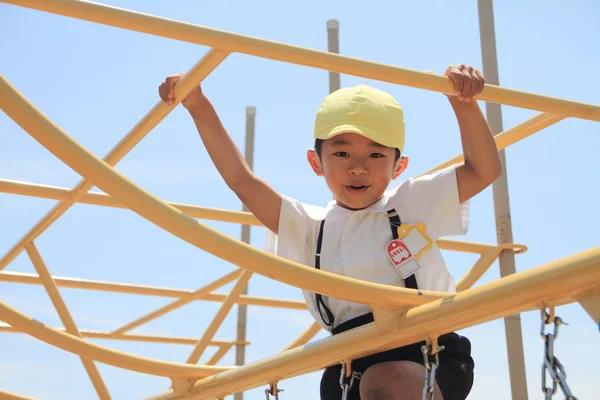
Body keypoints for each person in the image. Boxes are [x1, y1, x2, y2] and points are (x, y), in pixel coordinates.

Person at [158, 63, 500, 400]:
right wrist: (197, 105)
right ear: (315, 162)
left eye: (376, 153)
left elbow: (482, 170)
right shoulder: (312, 227)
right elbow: (242, 182)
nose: (358, 167)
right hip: (349, 365)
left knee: (385, 380)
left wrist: (464, 103)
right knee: (350, 383)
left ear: (399, 166)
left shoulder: (409, 204)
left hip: (427, 353)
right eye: (341, 152)